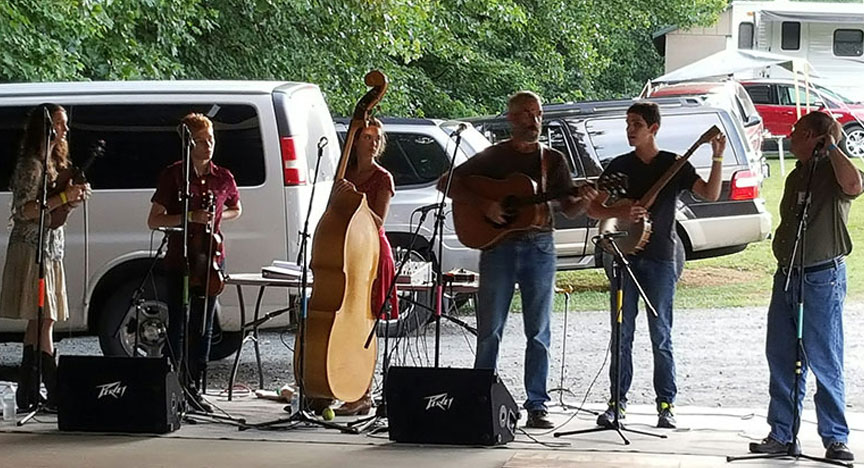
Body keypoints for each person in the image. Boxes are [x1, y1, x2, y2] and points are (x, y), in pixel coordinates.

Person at [440, 91, 597, 429]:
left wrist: (583, 200)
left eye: (538, 113)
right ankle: (480, 396)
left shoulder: (551, 160)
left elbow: (567, 207)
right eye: (526, 114)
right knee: (490, 329)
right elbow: (447, 182)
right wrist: (485, 205)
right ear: (511, 119)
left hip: (540, 247)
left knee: (538, 330)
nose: (534, 120)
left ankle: (537, 404)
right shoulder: (493, 157)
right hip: (498, 248)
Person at [587, 101, 725, 429]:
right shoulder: (620, 167)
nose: (630, 129)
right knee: (622, 333)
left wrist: (717, 155)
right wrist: (620, 212)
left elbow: (710, 193)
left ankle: (666, 405)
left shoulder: (673, 165)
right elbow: (593, 209)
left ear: (654, 129)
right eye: (627, 123)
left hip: (662, 258)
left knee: (660, 334)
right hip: (624, 259)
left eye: (636, 123)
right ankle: (616, 404)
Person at [747, 112, 860, 462]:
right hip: (788, 274)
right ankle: (782, 433)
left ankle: (835, 438)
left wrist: (833, 147)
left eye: (796, 132)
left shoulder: (833, 170)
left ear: (813, 136)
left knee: (824, 358)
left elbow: (855, 185)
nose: (790, 137)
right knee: (782, 356)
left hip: (821, 277)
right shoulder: (799, 174)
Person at [148, 113, 242, 412]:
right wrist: (190, 217)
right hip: (181, 258)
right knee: (178, 323)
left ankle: (196, 386)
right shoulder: (174, 175)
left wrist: (216, 218)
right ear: (187, 142)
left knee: (204, 326)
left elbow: (236, 208)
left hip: (212, 260)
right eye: (201, 141)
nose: (208, 146)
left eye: (211, 139)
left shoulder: (223, 176)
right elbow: (154, 220)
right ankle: (174, 386)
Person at [0, 104, 91, 411]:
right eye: (60, 124)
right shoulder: (32, 164)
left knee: (40, 320)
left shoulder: (53, 162)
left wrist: (70, 199)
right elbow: (24, 210)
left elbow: (53, 207)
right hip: (32, 250)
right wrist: (63, 198)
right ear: (47, 127)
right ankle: (51, 390)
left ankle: (28, 392)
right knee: (44, 318)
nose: (65, 130)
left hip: (50, 248)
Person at [328, 118, 398, 416]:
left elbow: (378, 220)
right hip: (345, 253)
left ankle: (364, 393)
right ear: (355, 140)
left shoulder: (383, 178)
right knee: (344, 325)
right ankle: (343, 386)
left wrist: (353, 198)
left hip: (370, 253)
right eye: (366, 136)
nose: (372, 141)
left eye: (376, 138)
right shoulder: (345, 172)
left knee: (364, 326)